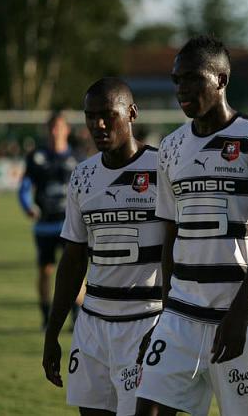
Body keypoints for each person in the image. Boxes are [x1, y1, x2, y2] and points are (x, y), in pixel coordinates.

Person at [135, 36, 248, 416]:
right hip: (181, 315)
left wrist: (238, 313)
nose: (181, 89)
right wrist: (165, 313)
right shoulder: (170, 146)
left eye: (191, 79)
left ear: (221, 80)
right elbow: (169, 236)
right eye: (176, 81)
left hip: (241, 317)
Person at [42, 77, 165, 415]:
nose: (98, 124)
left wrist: (170, 327)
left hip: (147, 320)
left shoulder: (163, 168)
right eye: (90, 116)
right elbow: (73, 258)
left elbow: (177, 253)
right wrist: (53, 332)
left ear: (131, 113)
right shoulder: (82, 176)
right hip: (92, 325)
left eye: (108, 115)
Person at [18, 111, 82, 329]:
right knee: (45, 271)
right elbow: (24, 188)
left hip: (71, 226)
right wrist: (28, 207)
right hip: (45, 226)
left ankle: (77, 316)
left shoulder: (77, 158)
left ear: (67, 130)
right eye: (52, 127)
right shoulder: (36, 158)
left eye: (60, 127)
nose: (56, 132)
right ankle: (46, 316)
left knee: (75, 271)